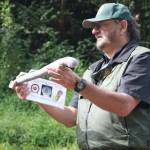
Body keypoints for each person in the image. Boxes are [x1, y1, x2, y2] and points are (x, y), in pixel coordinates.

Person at [12, 3, 150, 150]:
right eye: (93, 26)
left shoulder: (141, 58)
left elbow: (124, 105)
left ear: (122, 26)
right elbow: (71, 117)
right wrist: (34, 92)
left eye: (101, 25)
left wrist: (78, 84)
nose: (94, 31)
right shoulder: (92, 70)